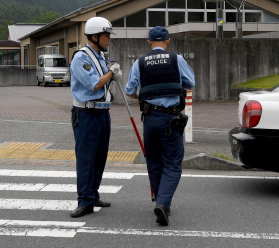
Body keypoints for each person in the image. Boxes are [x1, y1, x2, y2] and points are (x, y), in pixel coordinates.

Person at [125, 26, 195, 226]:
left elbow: (130, 90)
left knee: (154, 161)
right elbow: (190, 82)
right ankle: (163, 203)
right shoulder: (176, 59)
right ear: (168, 41)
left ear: (149, 42)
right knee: (172, 162)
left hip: (150, 119)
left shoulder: (139, 63)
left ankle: (160, 200)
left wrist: (144, 96)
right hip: (172, 119)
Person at [69, 16, 123, 218]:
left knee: (100, 157)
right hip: (86, 114)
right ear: (94, 35)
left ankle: (93, 194)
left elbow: (104, 79)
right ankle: (85, 201)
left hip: (102, 112)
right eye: (106, 35)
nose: (109, 39)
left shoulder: (99, 56)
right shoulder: (81, 57)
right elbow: (94, 84)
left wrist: (111, 73)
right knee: (86, 159)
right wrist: (111, 73)